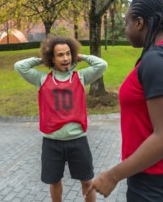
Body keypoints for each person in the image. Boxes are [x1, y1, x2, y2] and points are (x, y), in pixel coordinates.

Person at [86, 0, 163, 202]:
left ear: (139, 23)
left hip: (160, 181)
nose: (125, 29)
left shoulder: (158, 60)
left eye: (126, 22)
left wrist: (112, 176)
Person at [14, 36, 107, 202]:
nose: (66, 58)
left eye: (68, 54)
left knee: (87, 181)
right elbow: (20, 66)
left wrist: (82, 57)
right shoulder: (42, 79)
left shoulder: (80, 77)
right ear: (52, 58)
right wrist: (42, 60)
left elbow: (102, 65)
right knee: (54, 182)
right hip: (52, 142)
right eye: (60, 55)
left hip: (78, 140)